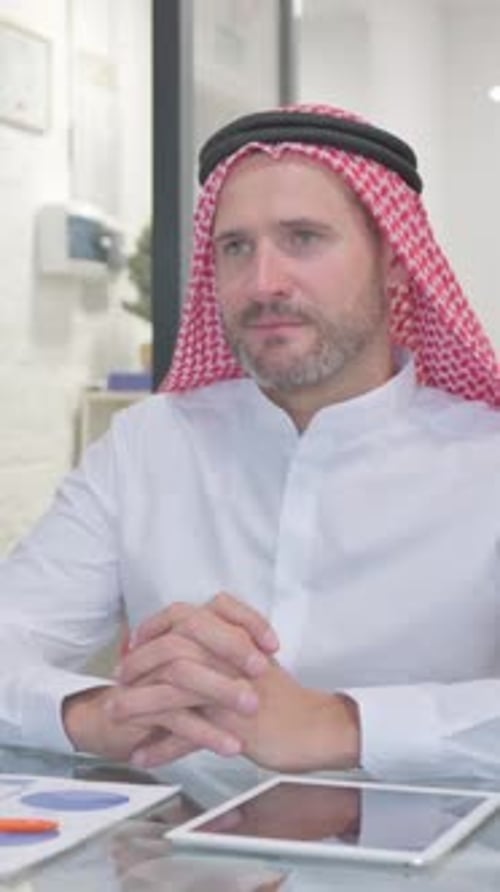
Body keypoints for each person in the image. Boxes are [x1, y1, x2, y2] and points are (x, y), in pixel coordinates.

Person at [2, 103, 500, 805]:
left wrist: (343, 725)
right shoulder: (149, 446)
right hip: (172, 851)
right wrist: (96, 714)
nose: (264, 281)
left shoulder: (485, 460)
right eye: (235, 247)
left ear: (394, 259)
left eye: (303, 238)